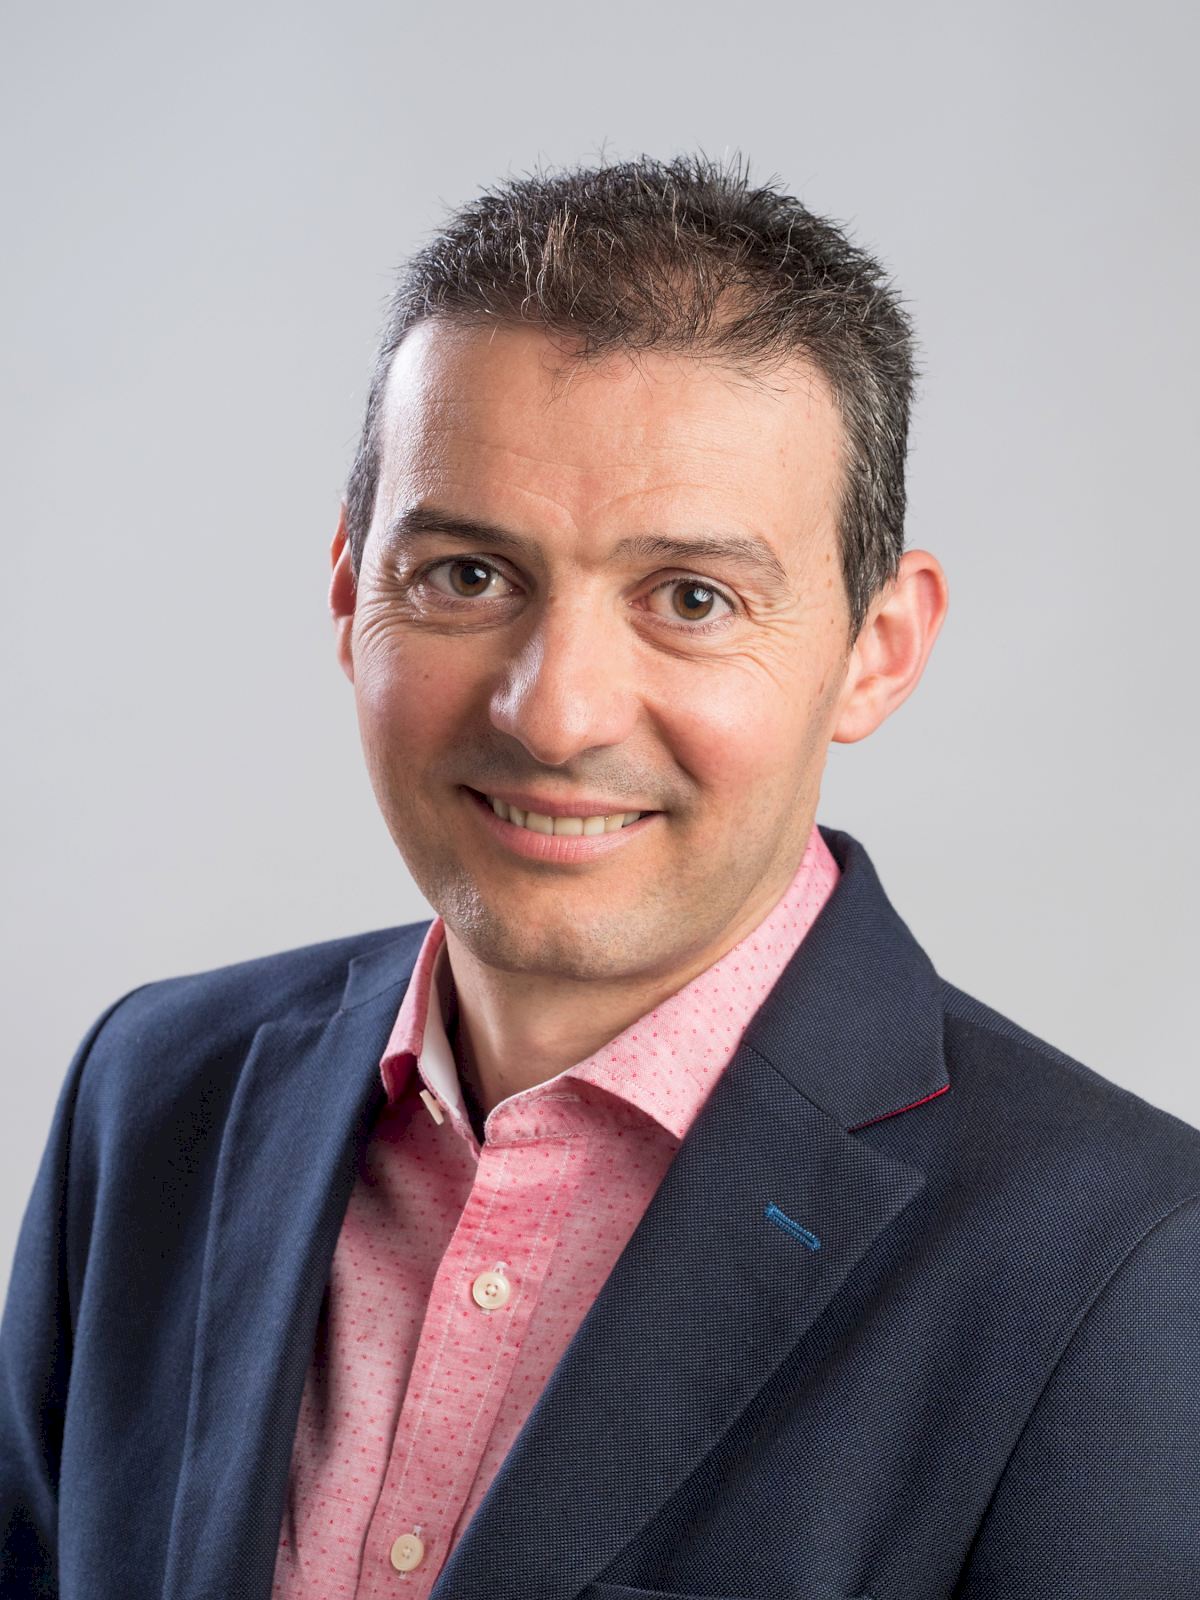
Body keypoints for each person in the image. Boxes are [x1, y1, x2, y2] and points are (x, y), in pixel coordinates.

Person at [2, 153, 1197, 1600]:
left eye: (691, 598)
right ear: (349, 589)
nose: (554, 713)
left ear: (878, 651)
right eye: (467, 575)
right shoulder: (154, 1096)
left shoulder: (1123, 1268)